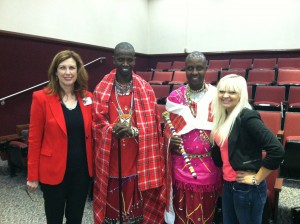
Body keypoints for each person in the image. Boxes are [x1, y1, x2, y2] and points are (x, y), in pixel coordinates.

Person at [92, 42, 166, 224]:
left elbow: (153, 126)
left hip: (138, 160)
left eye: (129, 59)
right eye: (121, 59)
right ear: (114, 60)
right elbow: (96, 122)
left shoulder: (145, 88)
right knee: (112, 214)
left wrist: (133, 131)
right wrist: (111, 130)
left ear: (134, 60)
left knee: (136, 216)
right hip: (112, 160)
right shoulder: (102, 88)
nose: (125, 63)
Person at [26, 50, 94, 224]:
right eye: (62, 67)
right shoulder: (41, 98)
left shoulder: (88, 98)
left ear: (78, 71)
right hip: (53, 171)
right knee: (54, 219)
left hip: (81, 172)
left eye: (72, 67)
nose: (68, 72)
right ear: (55, 72)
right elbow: (34, 140)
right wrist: (32, 175)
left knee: (75, 218)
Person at [210, 74, 285, 224]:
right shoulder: (222, 116)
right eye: (222, 91)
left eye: (232, 92)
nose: (225, 96)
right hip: (229, 184)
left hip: (246, 188)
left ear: (241, 95)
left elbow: (277, 150)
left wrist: (257, 178)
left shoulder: (247, 117)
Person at [164, 51, 223, 224]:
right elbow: (167, 130)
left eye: (199, 68)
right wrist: (169, 141)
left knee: (205, 215)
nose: (194, 72)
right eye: (190, 68)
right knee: (181, 215)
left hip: (209, 166)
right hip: (181, 165)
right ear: (185, 69)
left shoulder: (217, 97)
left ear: (206, 68)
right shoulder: (175, 97)